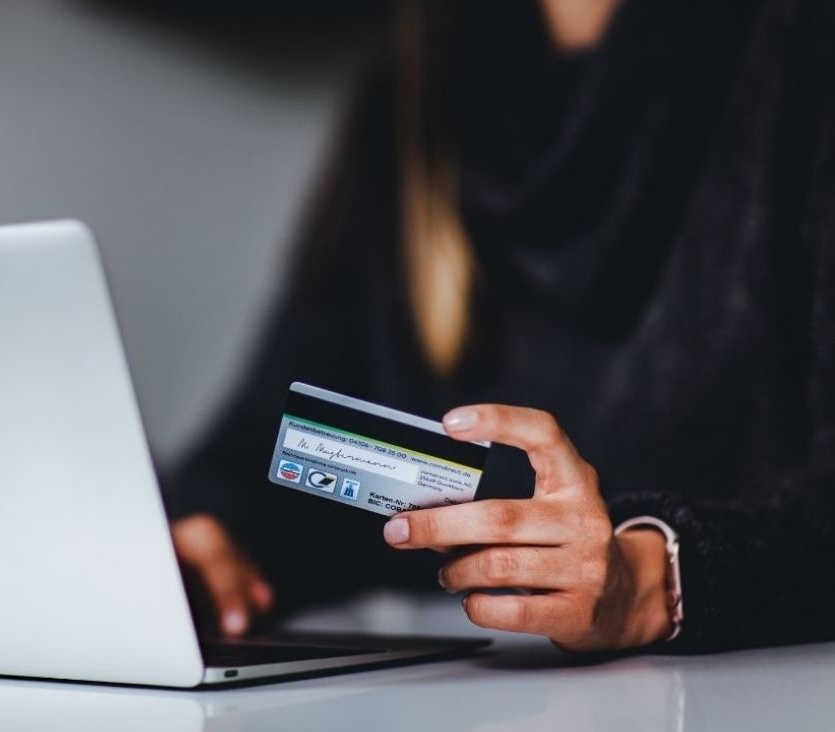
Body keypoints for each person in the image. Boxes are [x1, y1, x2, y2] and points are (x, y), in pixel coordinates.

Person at [161, 0, 835, 654]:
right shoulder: (418, 85)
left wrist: (655, 580)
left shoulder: (801, 48)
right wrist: (209, 542)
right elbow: (267, 451)